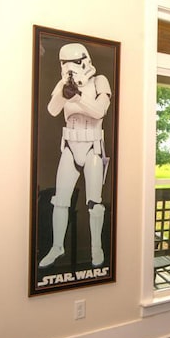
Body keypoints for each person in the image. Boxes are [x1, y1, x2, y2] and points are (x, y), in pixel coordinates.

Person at [39, 43, 111, 268]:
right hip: (70, 147)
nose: (70, 68)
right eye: (64, 64)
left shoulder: (100, 81)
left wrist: (78, 97)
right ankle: (57, 247)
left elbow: (100, 111)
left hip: (92, 148)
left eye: (74, 63)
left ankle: (96, 249)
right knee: (60, 201)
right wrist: (64, 92)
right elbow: (52, 110)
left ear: (85, 61)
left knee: (94, 203)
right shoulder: (64, 83)